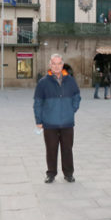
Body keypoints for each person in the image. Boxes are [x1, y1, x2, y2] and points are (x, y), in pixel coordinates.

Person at [33, 54, 81, 184]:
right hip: (50, 123)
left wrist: (72, 110)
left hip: (67, 122)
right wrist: (38, 121)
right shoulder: (43, 82)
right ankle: (51, 173)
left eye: (59, 63)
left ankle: (69, 174)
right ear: (50, 65)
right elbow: (37, 103)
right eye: (54, 63)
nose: (56, 66)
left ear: (62, 64)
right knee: (51, 149)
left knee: (67, 149)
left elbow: (77, 96)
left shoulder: (70, 80)